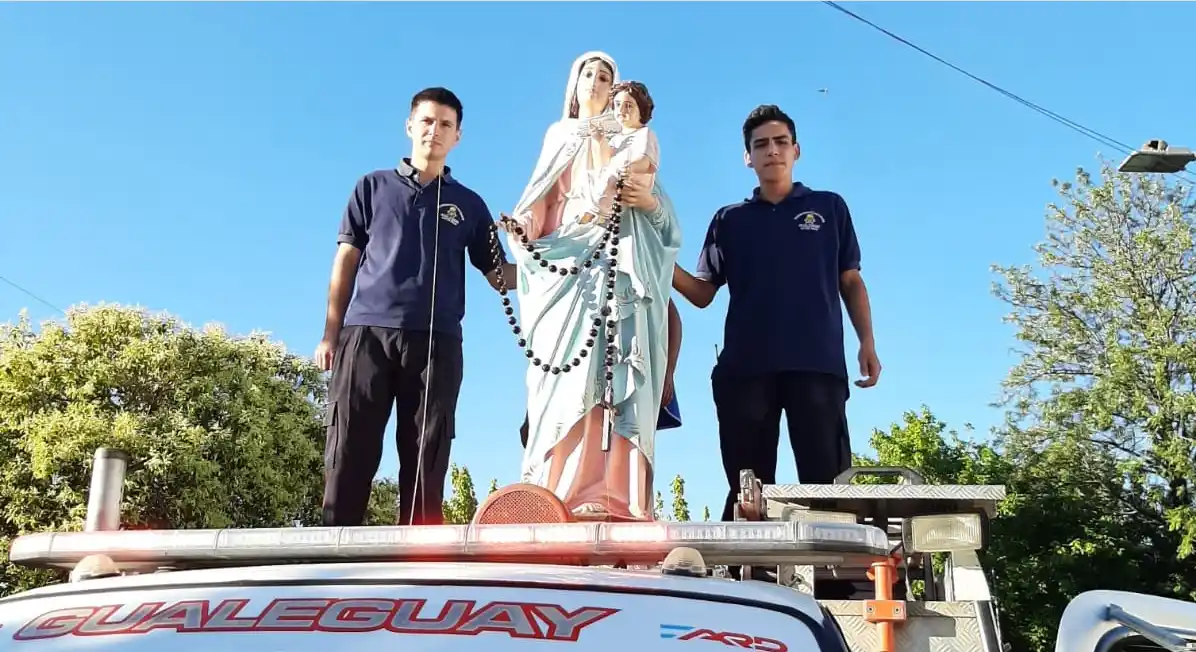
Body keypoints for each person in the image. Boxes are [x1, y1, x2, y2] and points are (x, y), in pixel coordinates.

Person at [672, 104, 881, 521]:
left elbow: (851, 281)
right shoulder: (729, 220)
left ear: (796, 150)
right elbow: (702, 293)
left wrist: (867, 342)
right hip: (746, 372)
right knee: (749, 491)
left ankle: (832, 584)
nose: (772, 151)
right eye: (761, 144)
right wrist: (657, 263)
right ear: (747, 157)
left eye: (780, 142)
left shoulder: (829, 208)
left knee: (828, 489)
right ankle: (745, 582)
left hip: (817, 366)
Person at [315, 87, 512, 527]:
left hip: (437, 343)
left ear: (457, 136)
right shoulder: (372, 186)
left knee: (427, 457)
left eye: (445, 124)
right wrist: (331, 333)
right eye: (427, 122)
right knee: (349, 449)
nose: (434, 131)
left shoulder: (470, 204)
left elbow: (500, 275)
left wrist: (552, 258)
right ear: (410, 126)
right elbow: (344, 261)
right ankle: (333, 558)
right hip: (366, 333)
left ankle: (421, 566)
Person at [500, 52, 682, 522]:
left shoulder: (635, 141)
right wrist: (522, 228)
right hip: (568, 277)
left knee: (618, 374)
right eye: (589, 74)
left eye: (606, 76)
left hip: (618, 271)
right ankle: (556, 494)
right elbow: (537, 201)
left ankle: (616, 499)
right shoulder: (559, 135)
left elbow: (667, 227)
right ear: (574, 84)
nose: (597, 82)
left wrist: (649, 203)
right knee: (566, 379)